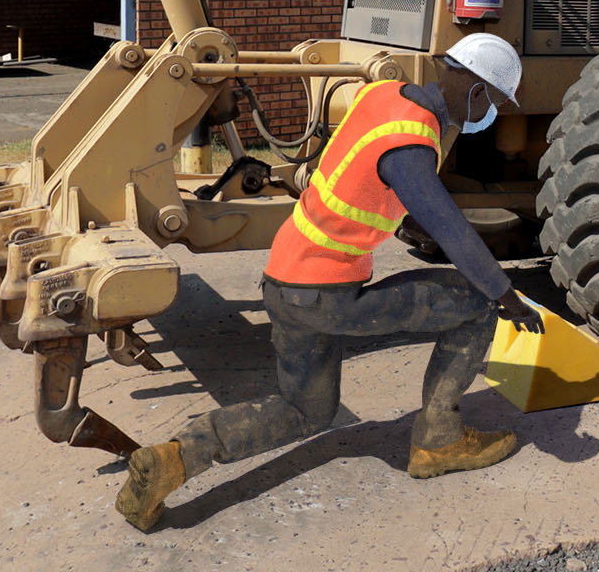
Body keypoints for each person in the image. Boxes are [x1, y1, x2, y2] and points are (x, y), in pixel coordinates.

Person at [115, 33, 545, 531]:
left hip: (284, 280)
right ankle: (439, 440)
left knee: (305, 409)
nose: (490, 114)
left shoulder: (384, 96)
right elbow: (451, 229)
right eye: (493, 101)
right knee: (474, 303)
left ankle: (174, 458)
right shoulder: (411, 143)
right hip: (329, 293)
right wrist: (506, 295)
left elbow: (374, 188)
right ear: (476, 93)